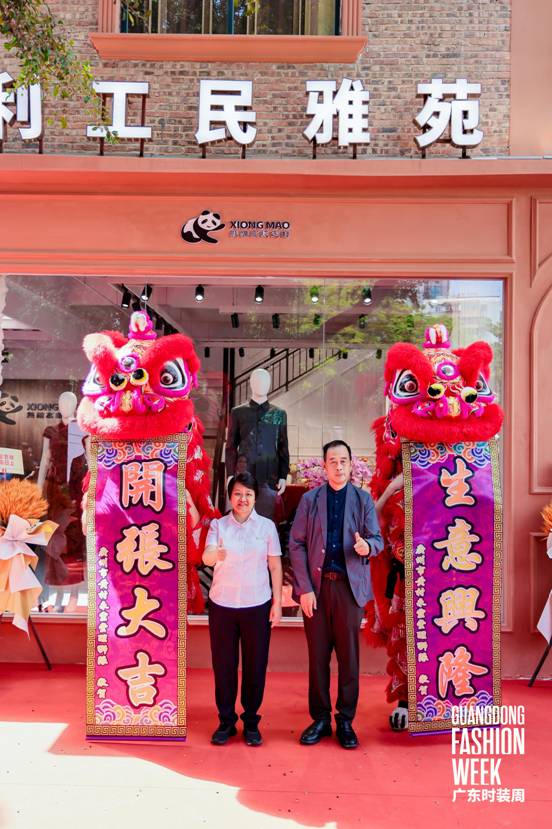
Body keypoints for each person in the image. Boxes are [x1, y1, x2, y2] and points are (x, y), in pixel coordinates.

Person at [289, 440, 383, 749]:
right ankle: (319, 719)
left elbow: (377, 540)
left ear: (351, 465)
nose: (339, 466)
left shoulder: (363, 500)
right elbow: (296, 544)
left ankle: (345, 720)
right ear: (324, 466)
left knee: (348, 658)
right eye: (333, 461)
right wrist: (303, 589)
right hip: (317, 589)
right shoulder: (310, 500)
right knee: (317, 657)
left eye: (344, 461)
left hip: (348, 589)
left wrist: (366, 547)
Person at [203, 471, 283, 747]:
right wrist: (215, 555)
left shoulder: (267, 527)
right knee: (224, 666)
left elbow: (275, 566)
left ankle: (251, 722)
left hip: (257, 605)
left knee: (255, 665)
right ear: (230, 496)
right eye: (238, 493)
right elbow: (207, 557)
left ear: (255, 498)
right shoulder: (218, 526)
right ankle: (226, 721)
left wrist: (277, 603)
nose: (243, 499)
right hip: (223, 606)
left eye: (248, 494)